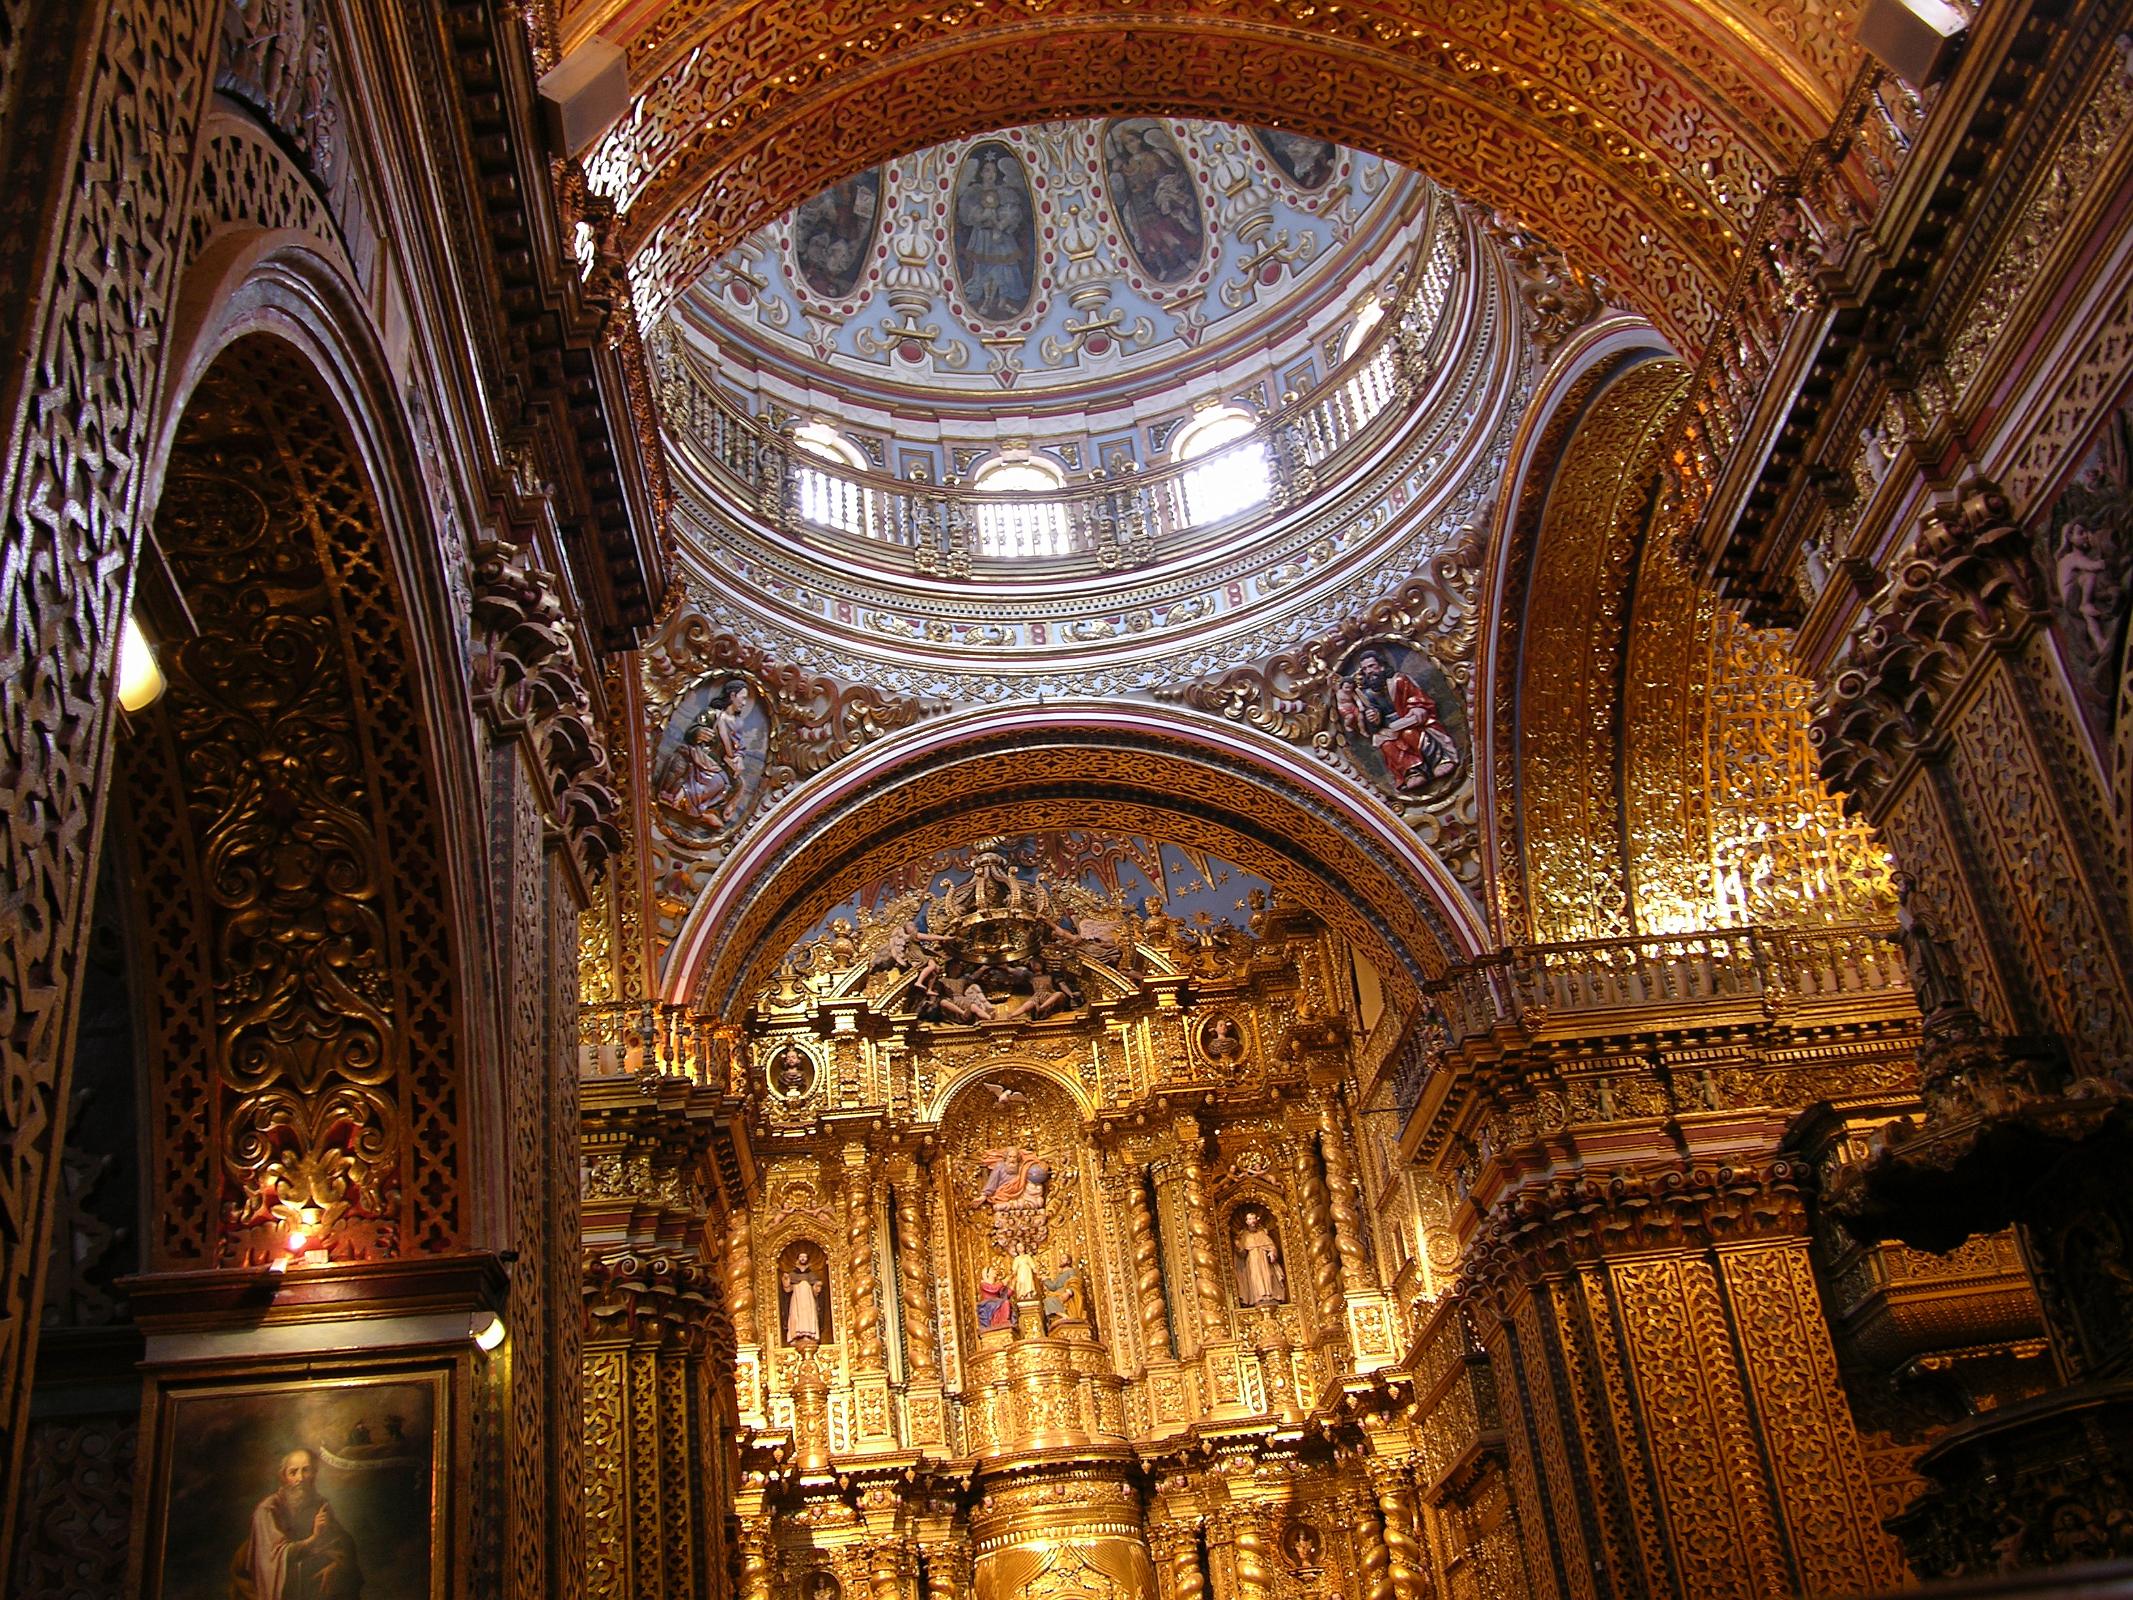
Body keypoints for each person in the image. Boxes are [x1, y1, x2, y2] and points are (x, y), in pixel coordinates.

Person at [230, 1448, 361, 1600]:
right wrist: (314, 1537)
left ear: (314, 1474)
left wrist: (337, 1566)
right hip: (271, 1587)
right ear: (284, 1477)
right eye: (293, 1472)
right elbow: (277, 1557)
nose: (301, 1478)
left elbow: (343, 1542)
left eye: (306, 1470)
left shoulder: (319, 1504)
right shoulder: (267, 1510)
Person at [1335, 651, 1460, 794]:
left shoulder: (1399, 681)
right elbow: (1373, 718)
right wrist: (1373, 718)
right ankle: (1412, 772)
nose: (1369, 671)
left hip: (1410, 721)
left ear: (1381, 666)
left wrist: (1416, 708)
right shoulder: (1367, 694)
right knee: (1386, 744)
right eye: (1365, 669)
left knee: (1408, 733)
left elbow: (1417, 698)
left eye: (1372, 666)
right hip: (1389, 727)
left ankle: (1439, 760)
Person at [957, 155, 1029, 320]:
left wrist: (1002, 224)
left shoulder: (1004, 191)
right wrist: (984, 216)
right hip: (983, 235)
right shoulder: (974, 192)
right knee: (986, 268)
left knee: (1005, 268)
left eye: (994, 171)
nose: (991, 174)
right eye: (987, 170)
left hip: (1003, 236)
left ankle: (1002, 301)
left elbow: (1013, 213)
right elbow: (969, 215)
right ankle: (988, 300)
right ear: (981, 173)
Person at [1234, 1210, 1287, 1306]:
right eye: (1250, 1219)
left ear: (1256, 1220)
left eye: (1253, 1218)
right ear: (1246, 1221)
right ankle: (1258, 1297)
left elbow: (1271, 1246)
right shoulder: (1244, 1236)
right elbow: (1242, 1254)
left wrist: (1272, 1252)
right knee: (1255, 1278)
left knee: (1267, 1276)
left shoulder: (1262, 1234)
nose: (1252, 1221)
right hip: (1252, 1260)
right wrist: (1239, 1247)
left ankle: (1269, 1296)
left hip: (1264, 1259)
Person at [783, 1248, 825, 1344]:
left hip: (808, 1299)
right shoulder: (792, 1274)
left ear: (807, 1259)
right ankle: (796, 1336)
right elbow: (788, 1289)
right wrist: (786, 1280)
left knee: (808, 1315)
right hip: (797, 1299)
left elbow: (816, 1289)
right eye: (801, 1257)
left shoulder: (812, 1274)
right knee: (796, 1315)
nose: (803, 1258)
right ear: (798, 1259)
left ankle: (809, 1335)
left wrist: (817, 1285)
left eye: (804, 1257)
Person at [975, 1264, 1014, 1330]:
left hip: (997, 1302)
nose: (995, 1271)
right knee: (1003, 1303)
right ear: (987, 1274)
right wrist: (1003, 1282)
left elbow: (1004, 1295)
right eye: (992, 1270)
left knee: (1006, 1303)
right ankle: (999, 1322)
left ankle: (1003, 1321)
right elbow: (993, 1289)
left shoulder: (997, 1284)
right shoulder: (984, 1284)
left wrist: (1012, 1285)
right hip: (988, 1303)